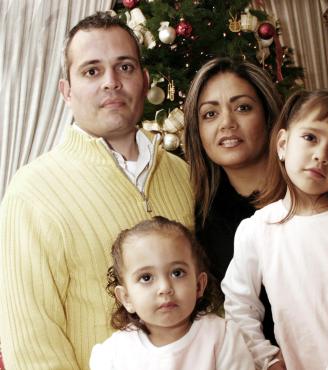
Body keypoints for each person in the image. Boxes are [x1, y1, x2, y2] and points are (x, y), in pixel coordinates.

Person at [0, 12, 194, 370]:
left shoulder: (183, 175)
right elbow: (32, 344)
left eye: (124, 67)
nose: (111, 82)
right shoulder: (32, 192)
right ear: (67, 91)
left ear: (144, 79)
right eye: (92, 71)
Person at [221, 90, 328, 370]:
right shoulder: (258, 230)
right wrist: (266, 358)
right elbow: (238, 304)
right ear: (283, 144)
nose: (321, 155)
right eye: (311, 138)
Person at [183, 56, 282, 344]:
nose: (227, 123)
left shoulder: (312, 194)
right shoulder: (203, 221)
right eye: (210, 114)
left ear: (268, 116)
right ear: (197, 132)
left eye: (242, 107)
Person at [89, 216, 255, 370]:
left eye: (177, 273)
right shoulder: (113, 355)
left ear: (198, 286)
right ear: (127, 298)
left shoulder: (221, 337)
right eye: (146, 278)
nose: (165, 288)